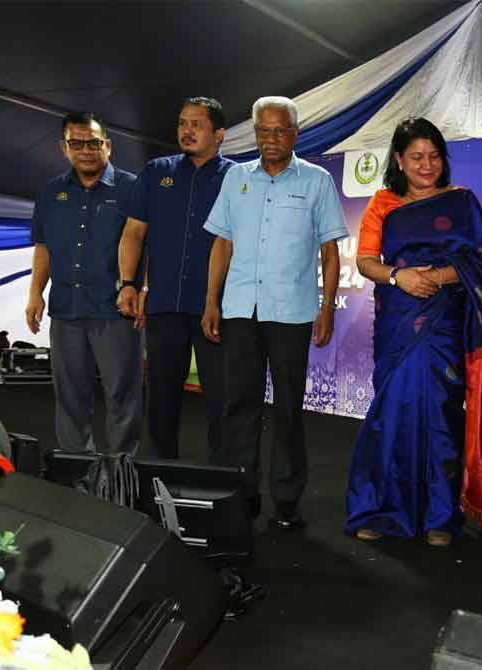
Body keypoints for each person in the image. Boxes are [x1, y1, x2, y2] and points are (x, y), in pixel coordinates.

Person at [343, 118, 482, 547]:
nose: (426, 165)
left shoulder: (461, 202)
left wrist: (443, 275)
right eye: (416, 157)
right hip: (399, 315)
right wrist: (401, 277)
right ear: (399, 159)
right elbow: (366, 262)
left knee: (441, 410)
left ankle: (438, 514)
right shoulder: (382, 203)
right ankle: (377, 506)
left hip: (444, 320)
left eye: (433, 156)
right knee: (391, 408)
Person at [202, 96, 348, 529]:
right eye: (263, 131)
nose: (271, 139)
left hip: (292, 313)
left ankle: (286, 499)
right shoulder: (235, 180)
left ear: (295, 134)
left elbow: (330, 251)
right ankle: (240, 496)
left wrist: (326, 308)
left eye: (280, 131)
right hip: (240, 310)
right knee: (239, 406)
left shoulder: (317, 181)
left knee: (287, 408)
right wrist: (212, 301)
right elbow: (221, 243)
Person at [118, 97, 235, 461]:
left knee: (222, 400)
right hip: (164, 304)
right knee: (162, 400)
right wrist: (128, 283)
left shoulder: (238, 178)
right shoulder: (156, 172)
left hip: (217, 308)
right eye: (182, 123)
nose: (186, 130)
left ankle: (223, 481)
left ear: (219, 134)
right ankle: (159, 477)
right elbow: (134, 232)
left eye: (196, 124)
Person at [25, 112, 141, 454]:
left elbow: (146, 244)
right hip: (65, 311)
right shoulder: (51, 192)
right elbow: (43, 246)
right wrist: (35, 294)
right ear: (64, 148)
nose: (86, 150)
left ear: (108, 146)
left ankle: (122, 474)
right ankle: (79, 474)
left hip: (116, 311)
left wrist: (141, 288)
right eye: (77, 143)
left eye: (93, 143)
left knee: (122, 395)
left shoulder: (132, 188)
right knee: (70, 397)